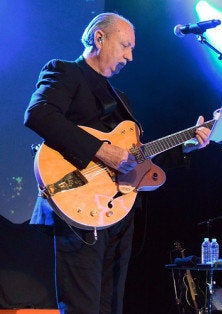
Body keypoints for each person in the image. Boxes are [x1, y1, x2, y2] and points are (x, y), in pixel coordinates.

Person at [23, 13, 211, 313]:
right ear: (99, 38)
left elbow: (137, 157)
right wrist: (101, 150)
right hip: (78, 207)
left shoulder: (120, 98)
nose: (130, 56)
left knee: (112, 306)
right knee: (82, 307)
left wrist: (188, 145)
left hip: (117, 213)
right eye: (125, 46)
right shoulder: (65, 72)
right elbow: (39, 114)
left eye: (132, 48)